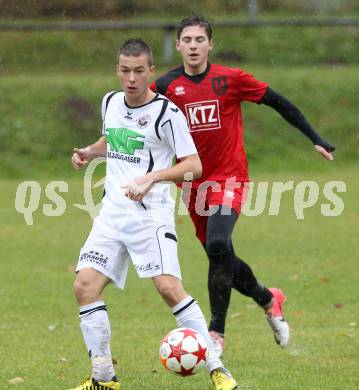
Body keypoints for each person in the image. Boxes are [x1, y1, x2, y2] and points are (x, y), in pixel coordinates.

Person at [151, 15, 335, 356]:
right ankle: (269, 298)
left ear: (210, 44)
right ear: (178, 45)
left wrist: (315, 138)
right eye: (187, 40)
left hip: (229, 177)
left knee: (219, 243)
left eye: (199, 40)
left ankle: (216, 332)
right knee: (221, 256)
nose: (193, 45)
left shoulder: (231, 79)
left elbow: (278, 101)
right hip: (192, 187)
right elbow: (137, 124)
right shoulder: (163, 88)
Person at [70, 39, 238, 390]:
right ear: (118, 70)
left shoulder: (167, 113)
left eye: (138, 71)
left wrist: (151, 178)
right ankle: (103, 378)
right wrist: (89, 151)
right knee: (85, 286)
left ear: (151, 72)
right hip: (113, 213)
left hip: (150, 215)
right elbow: (114, 141)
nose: (131, 78)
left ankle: (217, 368)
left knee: (167, 287)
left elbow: (193, 165)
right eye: (125, 70)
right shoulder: (110, 102)